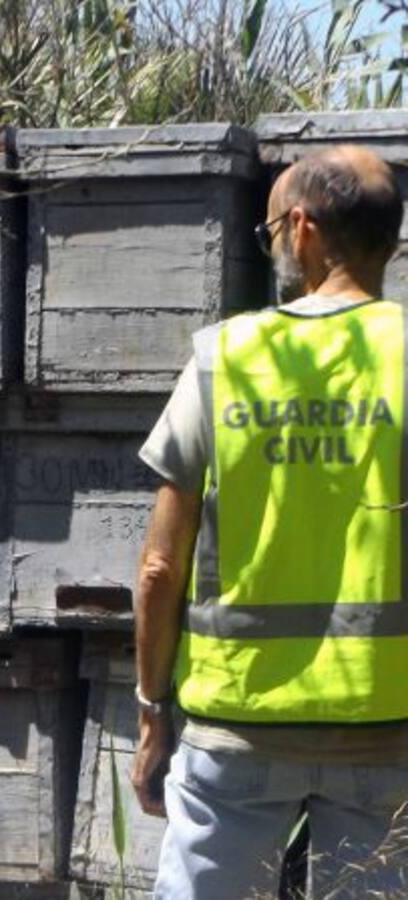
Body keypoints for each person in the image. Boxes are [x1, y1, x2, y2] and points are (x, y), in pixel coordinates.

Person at [131, 144, 408, 898]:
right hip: (388, 731)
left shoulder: (224, 359)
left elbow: (161, 567)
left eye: (270, 236)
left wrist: (154, 712)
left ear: (304, 228)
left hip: (236, 732)